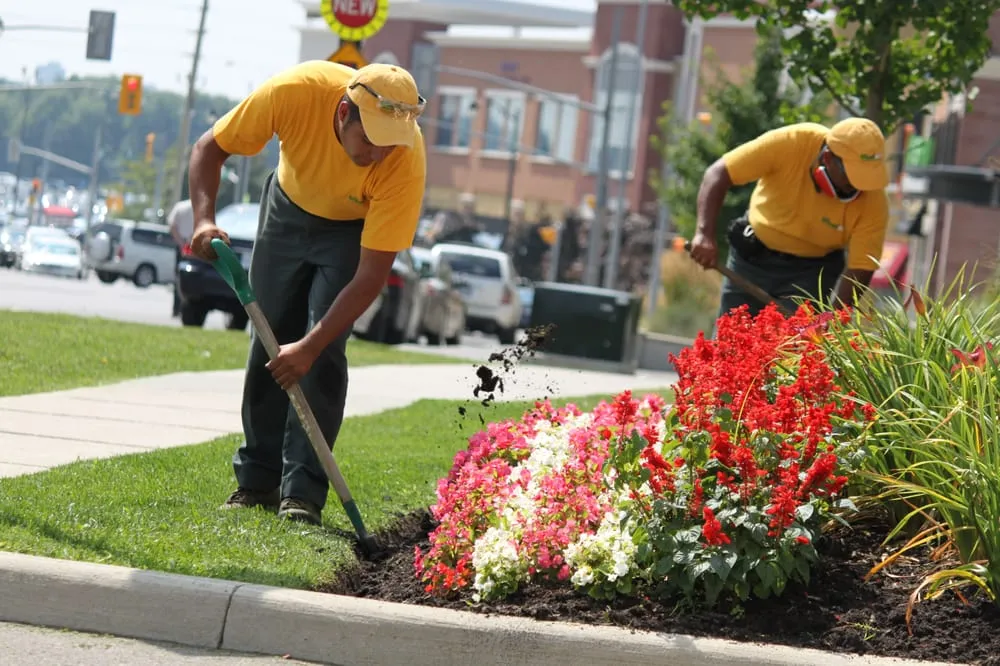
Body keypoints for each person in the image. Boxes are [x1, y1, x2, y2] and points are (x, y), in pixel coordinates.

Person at [186, 61, 427, 526]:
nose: (379, 153)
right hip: (288, 209)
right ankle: (257, 481)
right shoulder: (294, 92)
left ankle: (302, 494)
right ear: (342, 113)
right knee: (269, 339)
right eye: (370, 140)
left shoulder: (405, 157)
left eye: (389, 143)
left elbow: (372, 275)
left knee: (322, 351)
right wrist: (203, 218)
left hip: (351, 230)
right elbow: (208, 148)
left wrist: (311, 346)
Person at [689, 117, 890, 319]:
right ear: (828, 158)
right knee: (728, 343)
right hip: (751, 260)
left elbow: (861, 267)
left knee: (789, 347)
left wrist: (834, 317)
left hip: (811, 276)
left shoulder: (874, 200)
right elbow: (718, 173)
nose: (859, 186)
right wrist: (704, 234)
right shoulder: (791, 143)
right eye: (852, 176)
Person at [166, 198, 195, 318]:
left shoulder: (180, 206)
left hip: (182, 245)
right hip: (193, 246)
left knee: (179, 278)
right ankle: (187, 308)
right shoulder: (202, 207)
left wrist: (182, 244)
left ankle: (176, 308)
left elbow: (172, 226)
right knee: (192, 278)